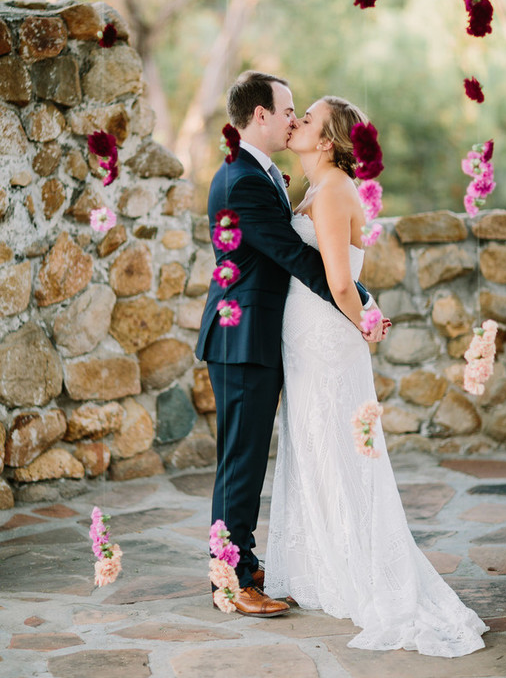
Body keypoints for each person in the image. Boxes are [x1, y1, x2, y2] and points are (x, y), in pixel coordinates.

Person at [265, 95, 489, 656]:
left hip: (327, 342)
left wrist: (364, 320)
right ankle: (326, 565)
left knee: (342, 452)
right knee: (314, 448)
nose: (296, 123)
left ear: (327, 140)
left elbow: (339, 281)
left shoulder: (333, 192)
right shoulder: (314, 188)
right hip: (307, 339)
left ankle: (361, 572)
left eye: (307, 119)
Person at [196, 72, 386, 618]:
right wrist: (364, 304)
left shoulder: (260, 173)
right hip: (242, 339)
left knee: (247, 458)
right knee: (241, 463)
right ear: (260, 115)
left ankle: (241, 558)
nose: (292, 119)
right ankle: (232, 581)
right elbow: (297, 257)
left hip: (258, 336)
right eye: (287, 110)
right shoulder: (243, 179)